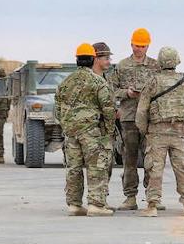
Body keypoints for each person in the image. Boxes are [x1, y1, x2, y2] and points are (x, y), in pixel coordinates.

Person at [135, 46, 184, 217]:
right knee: (182, 170)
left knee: (155, 170)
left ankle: (152, 205)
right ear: (176, 61)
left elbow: (142, 110)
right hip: (179, 133)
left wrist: (144, 130)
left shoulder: (153, 82)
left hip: (157, 133)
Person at [54, 43, 115, 216]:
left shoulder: (66, 82)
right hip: (92, 132)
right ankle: (96, 205)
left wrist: (67, 125)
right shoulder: (98, 81)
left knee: (73, 168)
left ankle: (74, 205)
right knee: (97, 167)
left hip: (71, 133)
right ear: (92, 59)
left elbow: (58, 108)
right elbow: (108, 109)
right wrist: (109, 132)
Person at [108, 27, 159, 210]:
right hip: (129, 118)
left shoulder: (156, 66)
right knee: (129, 159)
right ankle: (130, 197)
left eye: (143, 46)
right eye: (137, 45)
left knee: (151, 159)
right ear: (131, 44)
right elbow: (111, 90)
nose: (139, 49)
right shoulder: (122, 66)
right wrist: (127, 93)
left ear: (148, 46)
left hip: (150, 119)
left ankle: (152, 197)